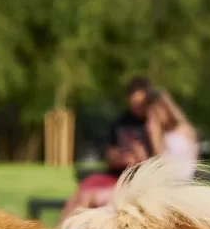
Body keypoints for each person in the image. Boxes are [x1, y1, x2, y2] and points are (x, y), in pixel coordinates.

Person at [61, 76, 153, 221]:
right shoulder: (121, 122)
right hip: (114, 175)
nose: (137, 107)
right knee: (81, 191)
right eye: (133, 102)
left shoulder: (154, 124)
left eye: (140, 103)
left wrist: (139, 158)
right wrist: (123, 159)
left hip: (136, 180)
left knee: (86, 198)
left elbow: (157, 160)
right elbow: (109, 155)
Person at [144, 88, 198, 180]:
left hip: (179, 182)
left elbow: (160, 162)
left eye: (154, 113)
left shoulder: (181, 131)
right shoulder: (162, 132)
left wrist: (155, 136)